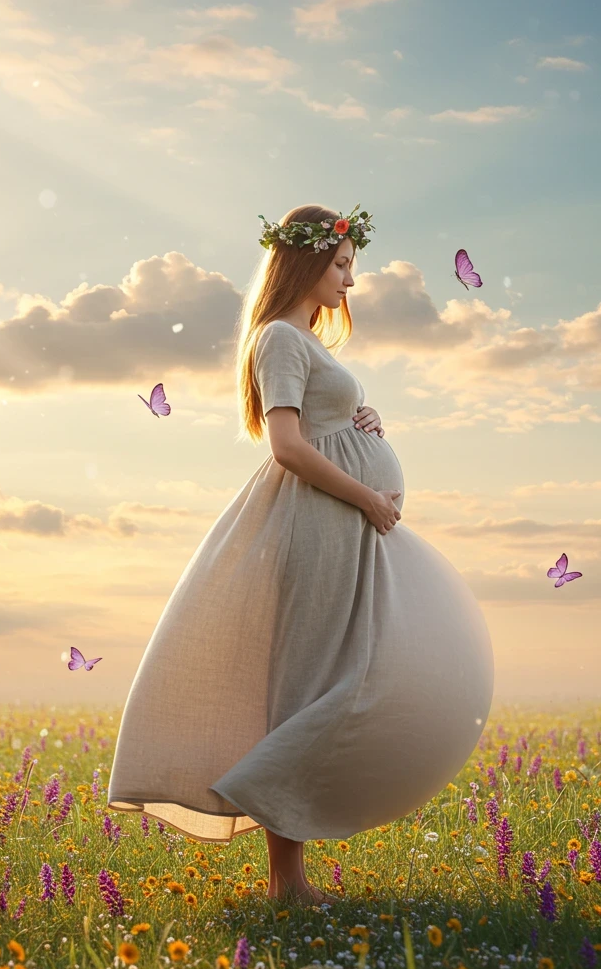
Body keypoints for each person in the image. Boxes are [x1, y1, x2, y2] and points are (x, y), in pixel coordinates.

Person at [107, 202, 495, 905]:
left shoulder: (306, 342)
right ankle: (286, 880)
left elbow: (318, 424)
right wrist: (367, 496)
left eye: (351, 266)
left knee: (352, 669)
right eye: (341, 265)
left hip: (343, 521)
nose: (350, 280)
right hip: (322, 522)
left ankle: (288, 853)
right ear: (308, 262)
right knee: (311, 682)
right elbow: (286, 446)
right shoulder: (281, 338)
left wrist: (361, 420)